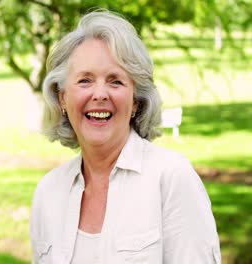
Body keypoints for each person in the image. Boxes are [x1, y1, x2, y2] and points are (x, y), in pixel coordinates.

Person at [30, 10, 221, 264]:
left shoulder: (171, 178)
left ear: (135, 102)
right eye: (85, 80)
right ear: (62, 97)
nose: (99, 94)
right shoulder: (48, 192)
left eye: (116, 81)